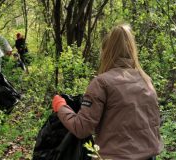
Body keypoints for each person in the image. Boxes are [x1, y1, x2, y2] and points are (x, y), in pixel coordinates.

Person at [51, 24, 163, 160]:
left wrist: (60, 106)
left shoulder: (102, 83)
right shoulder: (146, 80)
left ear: (105, 52)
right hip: (150, 156)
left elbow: (81, 128)